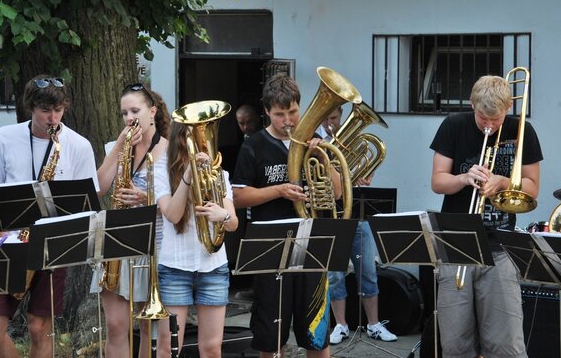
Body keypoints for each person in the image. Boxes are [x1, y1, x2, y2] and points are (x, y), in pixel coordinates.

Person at [0, 75, 99, 358]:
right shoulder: (4, 137)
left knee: (39, 328)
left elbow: (87, 204)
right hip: (7, 245)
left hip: (52, 248)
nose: (52, 117)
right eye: (45, 110)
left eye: (58, 110)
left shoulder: (78, 145)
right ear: (30, 108)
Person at [429, 75, 541, 358]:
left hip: (501, 249)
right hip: (456, 246)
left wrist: (502, 183)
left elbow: (532, 188)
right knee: (455, 346)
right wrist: (466, 178)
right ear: (472, 105)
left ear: (508, 108)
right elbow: (438, 181)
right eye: (482, 118)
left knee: (506, 346)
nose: (489, 126)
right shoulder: (453, 125)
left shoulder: (522, 130)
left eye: (497, 119)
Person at [232, 74, 337, 358]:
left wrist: (325, 159)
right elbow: (238, 197)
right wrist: (278, 191)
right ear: (267, 112)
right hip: (270, 247)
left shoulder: (315, 141)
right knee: (271, 336)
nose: (288, 120)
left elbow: (338, 194)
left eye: (292, 112)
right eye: (279, 114)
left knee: (317, 335)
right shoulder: (254, 145)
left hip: (312, 243)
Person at [90, 83, 170, 357]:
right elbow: (99, 187)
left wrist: (147, 199)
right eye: (124, 113)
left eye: (135, 110)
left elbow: (178, 208)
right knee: (115, 325)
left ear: (152, 112)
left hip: (154, 246)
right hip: (116, 243)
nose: (129, 118)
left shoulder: (170, 152)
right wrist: (119, 146)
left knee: (149, 328)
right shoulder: (116, 146)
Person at [155, 121, 239, 358]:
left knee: (212, 348)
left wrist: (221, 214)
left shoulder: (219, 173)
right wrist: (188, 176)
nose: (201, 145)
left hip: (213, 267)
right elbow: (172, 214)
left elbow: (233, 223)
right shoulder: (162, 170)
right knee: (169, 348)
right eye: (193, 139)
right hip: (174, 268)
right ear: (180, 140)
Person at [321, 107, 397, 344]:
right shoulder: (314, 143)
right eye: (325, 119)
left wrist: (365, 176)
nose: (329, 124)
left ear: (342, 114)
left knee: (369, 272)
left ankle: (374, 324)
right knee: (335, 275)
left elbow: (362, 171)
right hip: (330, 217)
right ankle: (340, 325)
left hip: (358, 214)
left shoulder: (352, 138)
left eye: (333, 118)